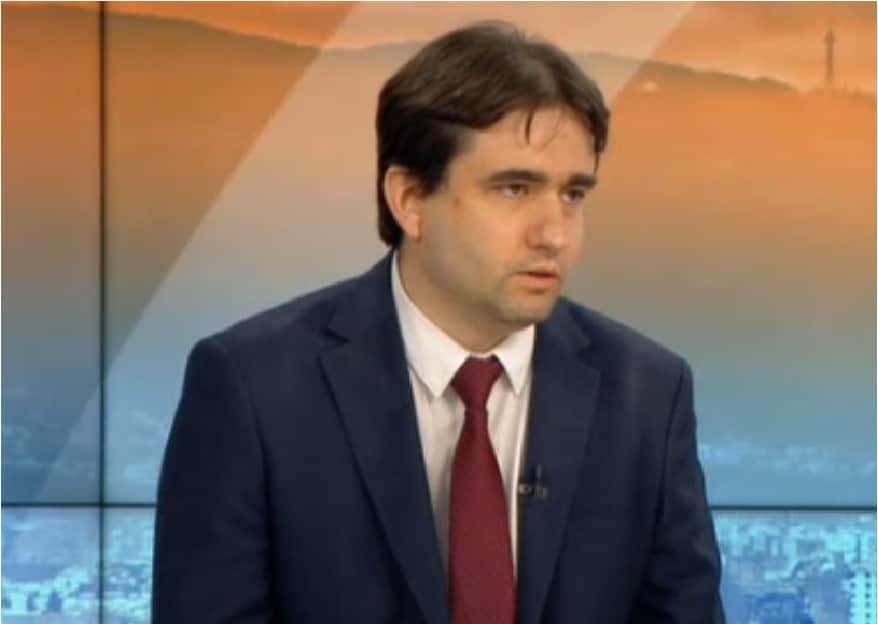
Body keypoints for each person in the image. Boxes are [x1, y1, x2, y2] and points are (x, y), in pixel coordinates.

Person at [152, 21, 725, 624]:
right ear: (409, 199)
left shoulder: (647, 395)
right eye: (514, 189)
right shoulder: (255, 389)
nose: (554, 234)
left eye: (573, 195)